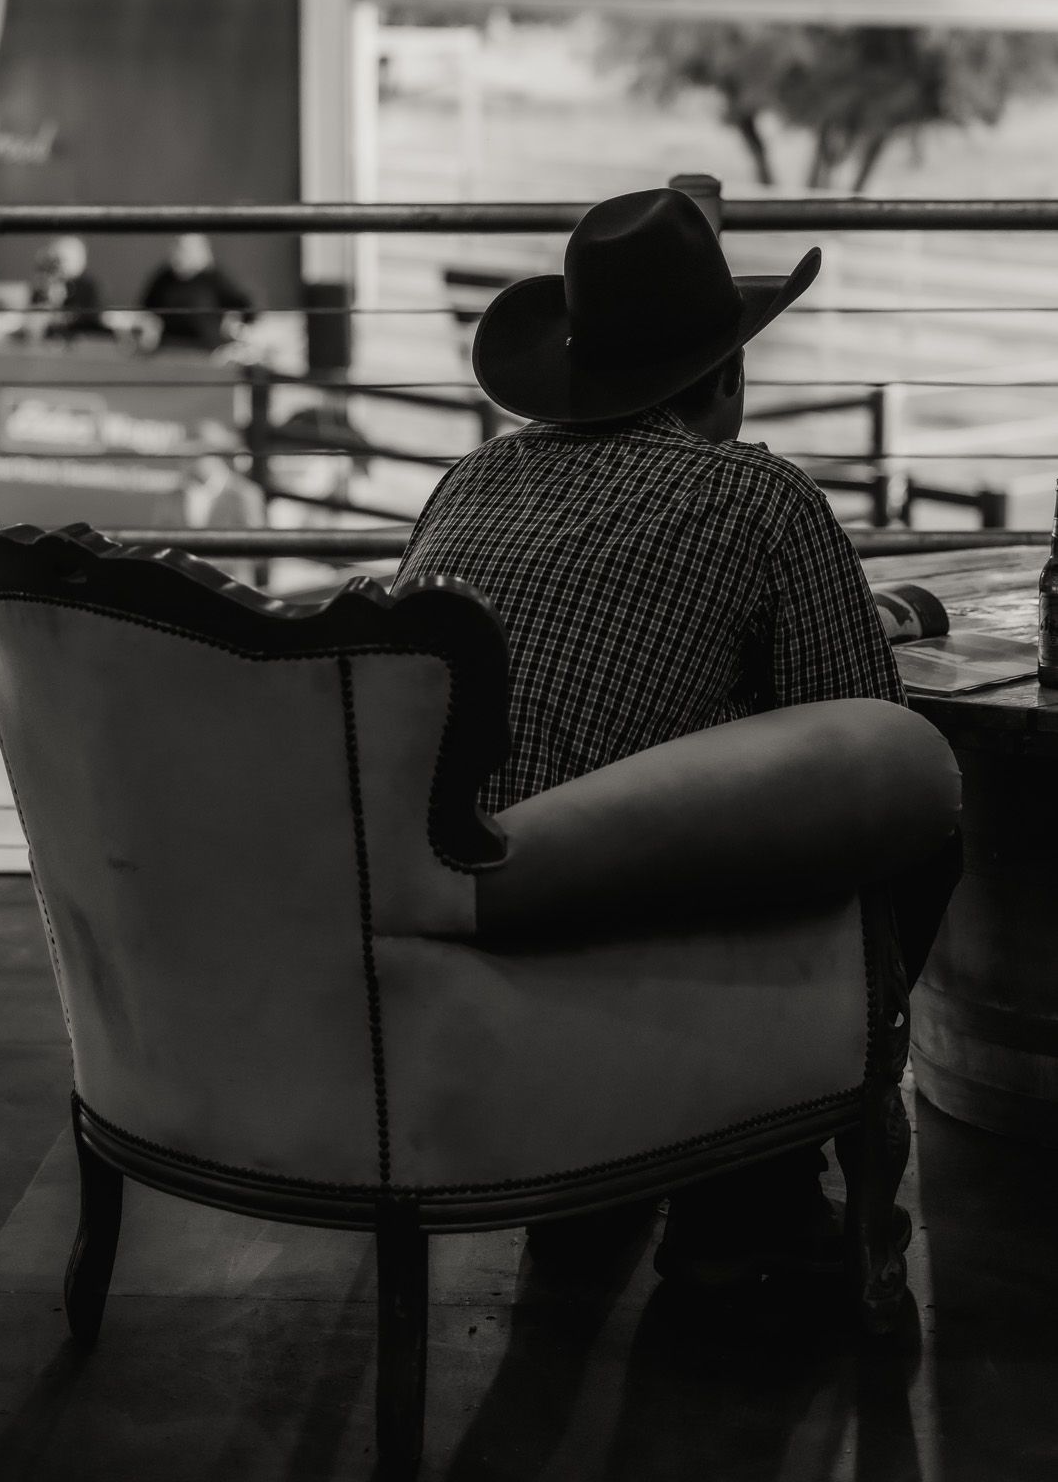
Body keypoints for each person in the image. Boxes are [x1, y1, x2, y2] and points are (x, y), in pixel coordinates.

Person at [392, 188, 961, 1291]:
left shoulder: (470, 478)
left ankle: (617, 1181)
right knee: (918, 825)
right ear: (729, 375)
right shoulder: (756, 496)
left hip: (436, 895)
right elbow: (860, 725)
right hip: (590, 908)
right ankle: (754, 1182)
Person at [140, 233, 254, 351]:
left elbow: (245, 305)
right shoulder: (164, 278)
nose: (180, 253)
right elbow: (146, 309)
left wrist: (232, 323)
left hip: (206, 349)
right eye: (177, 247)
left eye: (185, 249)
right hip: (168, 347)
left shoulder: (214, 278)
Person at [29, 235, 108, 339]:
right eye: (57, 260)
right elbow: (34, 314)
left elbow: (92, 320)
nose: (59, 265)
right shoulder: (45, 283)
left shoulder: (88, 286)